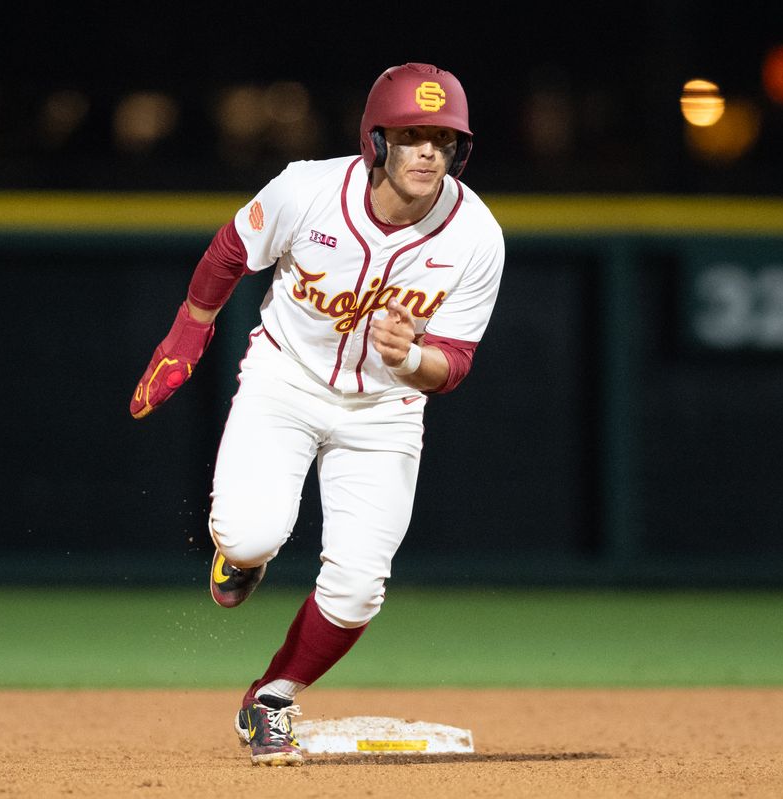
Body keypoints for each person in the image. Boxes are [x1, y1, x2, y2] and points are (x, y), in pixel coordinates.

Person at [128, 62, 504, 767]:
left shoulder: (475, 235)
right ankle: (241, 561)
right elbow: (231, 249)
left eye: (443, 139)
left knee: (360, 587)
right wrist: (189, 331)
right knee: (249, 532)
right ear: (377, 140)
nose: (428, 151)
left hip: (386, 410)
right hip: (286, 382)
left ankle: (269, 697)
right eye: (412, 134)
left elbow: (453, 362)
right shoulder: (308, 189)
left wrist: (410, 361)